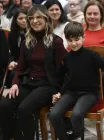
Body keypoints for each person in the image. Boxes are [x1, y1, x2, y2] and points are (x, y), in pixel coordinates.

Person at [49, 21, 104, 140]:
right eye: (70, 40)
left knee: (77, 114)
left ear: (83, 38)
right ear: (66, 40)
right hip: (70, 93)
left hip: (89, 93)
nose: (73, 43)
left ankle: (77, 137)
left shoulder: (91, 55)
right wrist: (59, 92)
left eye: (76, 39)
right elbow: (61, 78)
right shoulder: (66, 58)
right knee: (54, 115)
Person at [0, 5, 66, 140]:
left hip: (47, 85)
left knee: (24, 109)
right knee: (4, 104)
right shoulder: (27, 42)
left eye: (38, 17)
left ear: (46, 19)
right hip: (29, 82)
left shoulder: (56, 42)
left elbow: (64, 69)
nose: (34, 21)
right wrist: (14, 84)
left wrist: (60, 92)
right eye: (31, 18)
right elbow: (20, 67)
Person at [5, 8, 27, 88]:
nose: (24, 21)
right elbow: (13, 52)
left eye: (26, 18)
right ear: (15, 20)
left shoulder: (33, 33)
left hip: (29, 63)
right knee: (10, 73)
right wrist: (11, 62)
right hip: (17, 61)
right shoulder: (12, 34)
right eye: (20, 18)